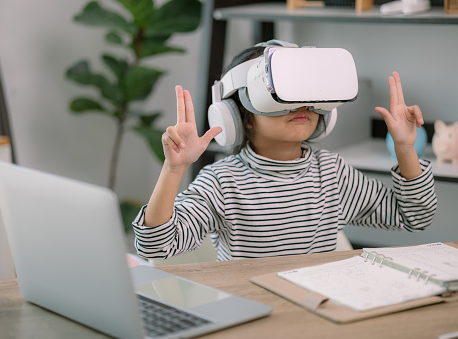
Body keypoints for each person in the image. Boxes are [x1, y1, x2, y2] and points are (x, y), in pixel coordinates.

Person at [132, 43, 437, 261]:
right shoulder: (222, 183)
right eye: (278, 96)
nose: (300, 104)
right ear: (239, 117)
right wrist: (173, 170)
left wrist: (405, 148)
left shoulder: (332, 173)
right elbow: (155, 248)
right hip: (250, 311)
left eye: (306, 92)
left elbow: (414, 217)